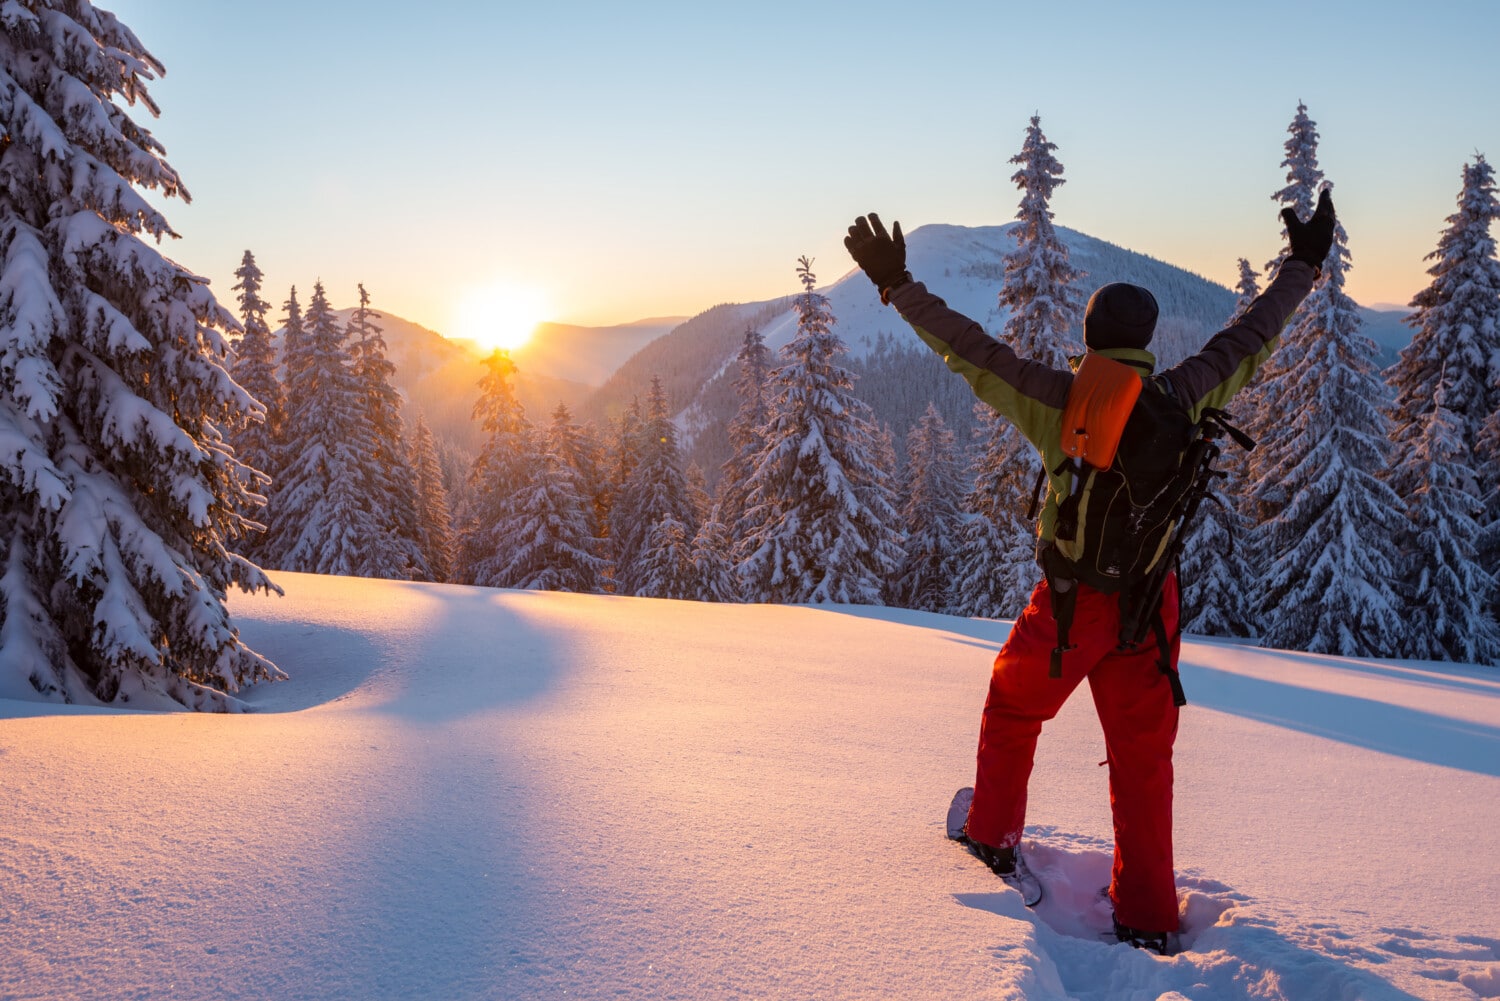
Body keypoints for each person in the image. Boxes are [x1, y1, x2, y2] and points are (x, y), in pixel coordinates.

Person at [843, 190, 1336, 953]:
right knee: (1144, 765)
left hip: (1069, 608)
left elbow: (968, 349)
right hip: (1150, 610)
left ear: (1091, 337)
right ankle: (1146, 914)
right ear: (1147, 339)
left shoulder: (1058, 401)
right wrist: (1304, 263)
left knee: (1013, 709)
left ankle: (994, 837)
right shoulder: (1188, 391)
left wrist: (895, 284)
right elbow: (1252, 338)